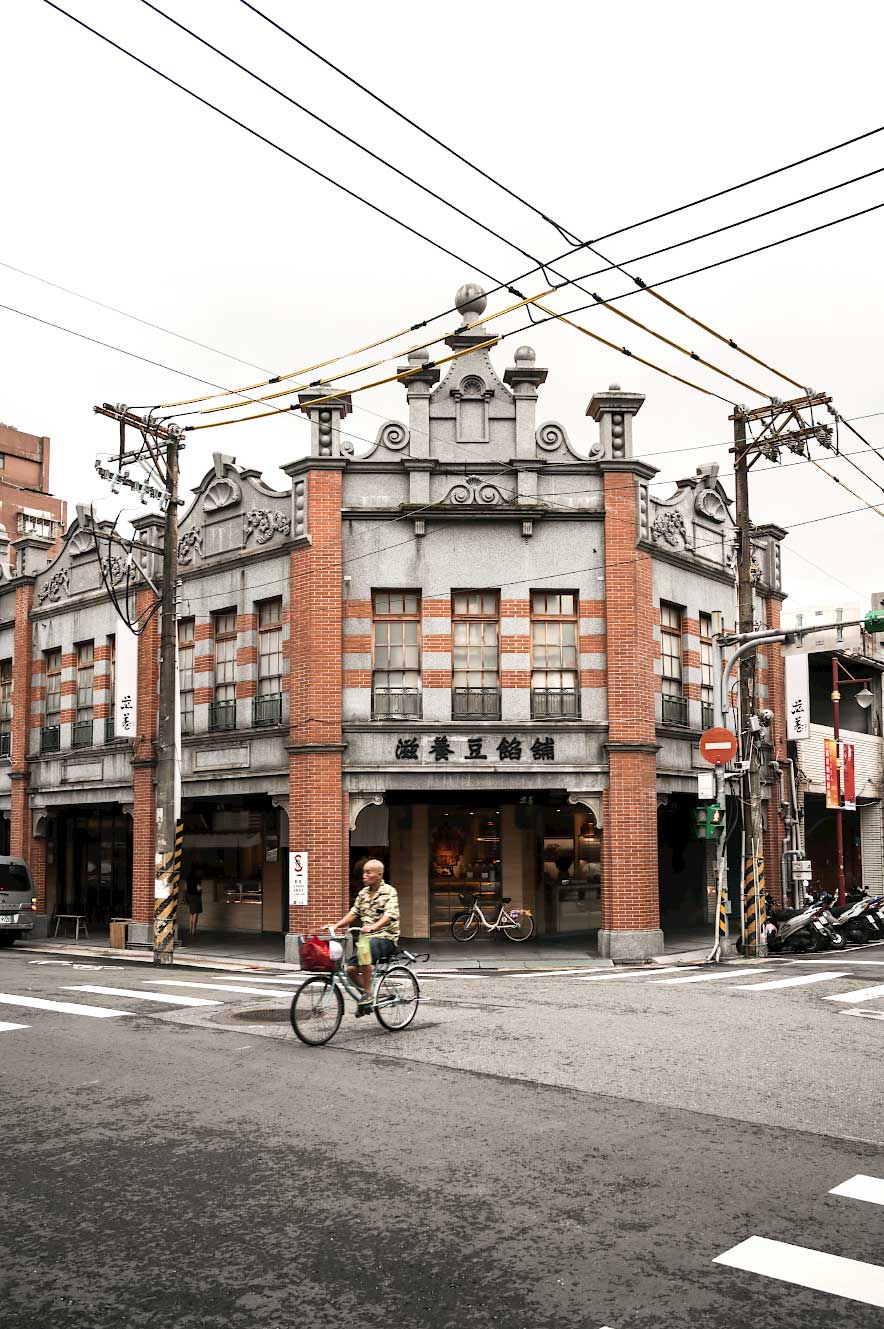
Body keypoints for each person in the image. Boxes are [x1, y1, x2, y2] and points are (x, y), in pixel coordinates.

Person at [328, 859, 400, 1016]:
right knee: (350, 970)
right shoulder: (363, 893)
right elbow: (353, 913)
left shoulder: (389, 891)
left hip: (386, 938)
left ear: (379, 875)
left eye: (368, 872)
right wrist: (336, 925)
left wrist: (374, 927)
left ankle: (367, 994)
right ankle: (370, 996)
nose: (364, 876)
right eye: (363, 872)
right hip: (366, 939)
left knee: (365, 949)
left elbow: (389, 915)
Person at [185, 863, 203, 938]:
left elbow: (185, 888)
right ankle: (193, 930)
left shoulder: (188, 877)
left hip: (189, 896)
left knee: (191, 914)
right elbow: (199, 888)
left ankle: (190, 929)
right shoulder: (197, 878)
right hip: (196, 897)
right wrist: (201, 890)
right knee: (195, 914)